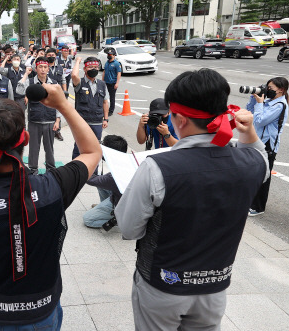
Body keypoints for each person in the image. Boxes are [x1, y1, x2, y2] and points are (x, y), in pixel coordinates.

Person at [115, 68, 269, 331]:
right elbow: (260, 157)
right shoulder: (252, 164)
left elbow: (129, 229)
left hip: (162, 284)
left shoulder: (156, 167)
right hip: (215, 286)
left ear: (180, 119)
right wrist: (249, 131)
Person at [0, 85, 101, 330]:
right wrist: (63, 105)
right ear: (26, 141)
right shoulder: (54, 186)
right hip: (43, 308)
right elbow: (92, 150)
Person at [246, 77, 289, 216]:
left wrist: (259, 103)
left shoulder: (279, 105)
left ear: (281, 90)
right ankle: (250, 201)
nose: (268, 90)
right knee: (253, 173)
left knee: (264, 176)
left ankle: (258, 207)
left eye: (270, 88)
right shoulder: (268, 101)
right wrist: (255, 98)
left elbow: (259, 121)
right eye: (267, 87)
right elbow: (249, 111)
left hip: (268, 145)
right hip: (257, 141)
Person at [16, 57, 61, 174]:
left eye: (45, 67)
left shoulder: (54, 83)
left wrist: (57, 120)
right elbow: (19, 90)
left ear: (48, 69)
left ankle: (51, 169)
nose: (43, 69)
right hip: (34, 121)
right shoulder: (30, 83)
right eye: (40, 67)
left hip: (50, 121)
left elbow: (58, 103)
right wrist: (26, 74)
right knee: (33, 148)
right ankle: (33, 169)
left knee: (49, 149)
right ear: (36, 69)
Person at [83, 135, 126, 229]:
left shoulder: (114, 176)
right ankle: (106, 209)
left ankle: (120, 219)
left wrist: (93, 157)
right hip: (126, 198)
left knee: (88, 219)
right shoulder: (126, 161)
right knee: (102, 184)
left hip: (124, 205)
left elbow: (90, 179)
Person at [70, 56, 109, 159]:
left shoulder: (102, 84)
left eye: (96, 67)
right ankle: (75, 172)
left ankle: (93, 173)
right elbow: (74, 75)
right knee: (79, 148)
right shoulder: (79, 83)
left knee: (95, 149)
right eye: (90, 67)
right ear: (84, 69)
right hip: (82, 122)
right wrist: (78, 61)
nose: (93, 69)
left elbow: (105, 102)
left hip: (97, 122)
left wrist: (106, 119)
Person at [45, 48, 67, 141]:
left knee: (58, 110)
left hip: (58, 93)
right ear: (46, 56)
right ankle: (47, 129)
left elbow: (63, 80)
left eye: (52, 55)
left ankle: (57, 131)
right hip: (46, 92)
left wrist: (64, 92)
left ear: (55, 56)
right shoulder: (44, 66)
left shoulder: (60, 67)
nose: (51, 57)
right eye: (49, 55)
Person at [101, 49, 121, 116]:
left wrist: (117, 83)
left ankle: (111, 111)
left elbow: (118, 73)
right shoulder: (107, 62)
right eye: (108, 54)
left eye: (110, 55)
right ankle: (103, 109)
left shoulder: (116, 63)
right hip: (105, 82)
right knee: (103, 96)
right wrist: (102, 80)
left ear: (114, 55)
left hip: (112, 83)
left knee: (112, 97)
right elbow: (104, 72)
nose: (108, 55)